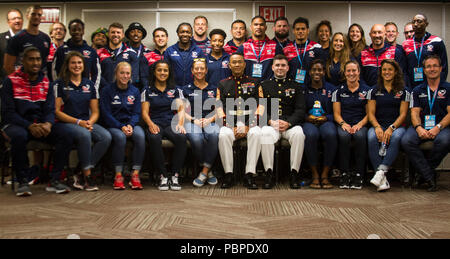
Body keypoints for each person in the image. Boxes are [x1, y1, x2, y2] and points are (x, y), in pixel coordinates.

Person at [0, 47, 73, 196]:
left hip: (40, 124)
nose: (35, 63)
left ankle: (54, 180)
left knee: (66, 134)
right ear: (23, 61)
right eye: (31, 59)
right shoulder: (10, 81)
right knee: (19, 137)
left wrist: (48, 124)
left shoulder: (46, 82)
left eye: (38, 59)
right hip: (16, 124)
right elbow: (8, 113)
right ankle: (23, 181)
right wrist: (29, 126)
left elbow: (49, 110)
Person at [53, 51, 111, 191]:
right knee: (84, 135)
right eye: (73, 62)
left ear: (84, 65)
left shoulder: (89, 85)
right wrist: (79, 122)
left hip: (85, 123)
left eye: (79, 63)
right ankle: (87, 176)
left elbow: (95, 111)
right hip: (65, 124)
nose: (76, 65)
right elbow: (56, 112)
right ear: (67, 65)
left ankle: (79, 171)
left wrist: (90, 122)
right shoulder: (59, 84)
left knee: (106, 137)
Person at [401, 55, 450, 192]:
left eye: (435, 66)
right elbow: (414, 113)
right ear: (424, 70)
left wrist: (438, 127)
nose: (432, 69)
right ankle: (428, 175)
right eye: (428, 66)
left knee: (445, 141)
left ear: (441, 69)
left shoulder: (448, 88)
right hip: (421, 125)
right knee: (406, 141)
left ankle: (423, 174)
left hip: (442, 126)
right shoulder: (417, 90)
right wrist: (418, 128)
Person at [217, 52, 262, 189]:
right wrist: (231, 126)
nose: (237, 64)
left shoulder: (255, 82)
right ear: (229, 65)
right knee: (223, 135)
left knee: (256, 134)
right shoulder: (223, 84)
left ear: (244, 64)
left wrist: (249, 125)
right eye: (234, 62)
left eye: (240, 62)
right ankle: (228, 174)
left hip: (250, 123)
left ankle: (249, 174)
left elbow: (262, 106)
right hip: (230, 124)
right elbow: (219, 108)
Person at [259, 54, 306, 189]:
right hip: (272, 124)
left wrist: (289, 123)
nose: (280, 68)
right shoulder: (264, 85)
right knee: (266, 134)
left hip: (290, 124)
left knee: (299, 134)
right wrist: (270, 121)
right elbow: (260, 109)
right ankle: (269, 173)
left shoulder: (295, 86)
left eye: (283, 65)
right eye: (277, 65)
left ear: (288, 68)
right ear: (272, 67)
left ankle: (294, 173)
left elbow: (300, 110)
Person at [142, 60, 186, 191]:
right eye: (159, 70)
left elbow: (181, 110)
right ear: (154, 72)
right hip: (155, 122)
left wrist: (180, 124)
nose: (162, 73)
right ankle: (163, 175)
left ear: (169, 72)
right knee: (154, 138)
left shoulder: (176, 90)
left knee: (182, 137)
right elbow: (144, 112)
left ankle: (175, 175)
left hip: (171, 123)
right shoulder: (147, 90)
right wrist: (150, 124)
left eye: (165, 70)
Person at [99, 62, 145, 190]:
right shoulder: (107, 90)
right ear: (116, 74)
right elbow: (106, 114)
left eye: (127, 73)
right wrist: (121, 126)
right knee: (120, 137)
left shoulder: (135, 91)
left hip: (131, 124)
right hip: (114, 125)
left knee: (140, 135)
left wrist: (130, 125)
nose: (125, 76)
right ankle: (118, 175)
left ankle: (135, 174)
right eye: (122, 73)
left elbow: (136, 112)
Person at [367, 59, 409, 192]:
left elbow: (403, 115)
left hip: (397, 126)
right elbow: (371, 113)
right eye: (384, 69)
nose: (387, 72)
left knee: (396, 138)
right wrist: (377, 127)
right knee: (372, 138)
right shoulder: (373, 90)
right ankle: (382, 179)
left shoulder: (404, 91)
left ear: (396, 71)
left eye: (390, 69)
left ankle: (380, 172)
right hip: (378, 125)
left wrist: (391, 128)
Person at [179, 59, 219, 187]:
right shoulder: (185, 89)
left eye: (202, 68)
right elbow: (181, 111)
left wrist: (209, 120)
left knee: (214, 134)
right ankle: (208, 170)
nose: (199, 71)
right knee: (196, 139)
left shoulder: (214, 88)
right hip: (191, 121)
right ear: (192, 71)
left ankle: (204, 171)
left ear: (206, 70)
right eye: (196, 68)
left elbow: (219, 110)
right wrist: (193, 120)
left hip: (209, 121)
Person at [332, 60, 371, 190]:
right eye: (348, 71)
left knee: (360, 137)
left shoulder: (367, 91)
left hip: (361, 124)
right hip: (344, 124)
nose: (351, 73)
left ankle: (359, 174)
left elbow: (370, 113)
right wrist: (343, 124)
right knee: (344, 137)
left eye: (354, 70)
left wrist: (360, 124)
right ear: (345, 73)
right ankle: (344, 173)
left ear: (359, 72)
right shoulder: (338, 91)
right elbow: (336, 114)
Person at [302, 59, 337, 189]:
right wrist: (307, 117)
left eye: (320, 70)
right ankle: (315, 174)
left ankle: (325, 174)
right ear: (309, 72)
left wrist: (326, 118)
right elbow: (300, 109)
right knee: (310, 135)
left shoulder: (332, 89)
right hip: (308, 121)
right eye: (314, 70)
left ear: (324, 72)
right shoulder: (303, 89)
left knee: (330, 134)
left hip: (326, 121)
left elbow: (338, 112)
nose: (317, 72)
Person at [52, 19, 101, 90]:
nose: (77, 32)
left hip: (85, 91)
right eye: (74, 30)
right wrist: (59, 88)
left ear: (83, 31)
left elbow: (96, 73)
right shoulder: (61, 50)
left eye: (79, 29)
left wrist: (93, 90)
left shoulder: (91, 52)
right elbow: (55, 71)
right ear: (70, 31)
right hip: (66, 91)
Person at [402, 14, 448, 88]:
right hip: (412, 86)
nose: (416, 24)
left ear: (426, 24)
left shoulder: (436, 41)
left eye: (419, 21)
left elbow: (443, 67)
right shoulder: (406, 44)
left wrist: (439, 86)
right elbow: (404, 69)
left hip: (432, 85)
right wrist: (407, 87)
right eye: (414, 22)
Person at [4, 5, 51, 75]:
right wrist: (18, 82)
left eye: (39, 15)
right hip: (22, 81)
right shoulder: (17, 38)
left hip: (40, 82)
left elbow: (44, 63)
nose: (36, 17)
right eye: (33, 14)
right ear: (27, 16)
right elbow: (8, 66)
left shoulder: (46, 38)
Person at [358, 24, 407, 88]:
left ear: (385, 34)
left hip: (390, 93)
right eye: (374, 32)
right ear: (370, 35)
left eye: (380, 32)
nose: (377, 35)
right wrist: (367, 90)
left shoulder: (395, 52)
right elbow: (360, 76)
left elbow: (402, 75)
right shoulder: (363, 54)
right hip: (369, 94)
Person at [237, 16, 281, 82]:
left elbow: (280, 68)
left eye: (261, 25)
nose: (258, 27)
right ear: (251, 27)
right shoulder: (243, 47)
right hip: (249, 86)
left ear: (265, 27)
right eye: (256, 24)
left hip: (269, 86)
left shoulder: (275, 46)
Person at [283, 17, 324, 86]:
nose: (300, 31)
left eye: (303, 29)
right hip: (292, 87)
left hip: (311, 87)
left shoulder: (316, 47)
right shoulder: (286, 49)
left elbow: (322, 71)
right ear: (293, 31)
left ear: (308, 30)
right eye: (297, 29)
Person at [164, 22, 205, 86]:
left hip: (196, 88)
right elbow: (165, 71)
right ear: (178, 33)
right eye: (182, 32)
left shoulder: (198, 51)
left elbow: (203, 71)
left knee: (198, 96)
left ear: (191, 34)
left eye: (188, 32)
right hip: (174, 88)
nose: (185, 34)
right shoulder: (169, 50)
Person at [125, 22, 149, 90]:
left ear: (142, 35)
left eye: (139, 32)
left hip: (143, 87)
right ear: (128, 35)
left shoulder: (148, 52)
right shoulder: (122, 50)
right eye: (132, 31)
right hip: (126, 85)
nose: (136, 34)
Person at [0, 8, 23, 82]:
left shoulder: (28, 38)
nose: (17, 21)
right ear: (8, 22)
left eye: (19, 18)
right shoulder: (1, 39)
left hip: (25, 83)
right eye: (14, 19)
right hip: (5, 82)